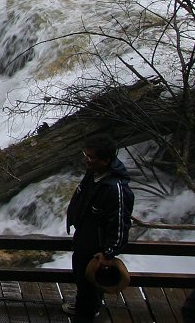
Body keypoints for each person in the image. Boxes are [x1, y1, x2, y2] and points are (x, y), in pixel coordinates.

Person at [64, 133, 134, 322]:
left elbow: (120, 224)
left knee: (89, 286)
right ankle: (86, 307)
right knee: (82, 280)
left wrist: (108, 253)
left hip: (97, 248)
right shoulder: (94, 173)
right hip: (84, 237)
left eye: (90, 157)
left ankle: (84, 314)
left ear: (105, 160)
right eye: (85, 155)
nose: (86, 160)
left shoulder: (116, 189)